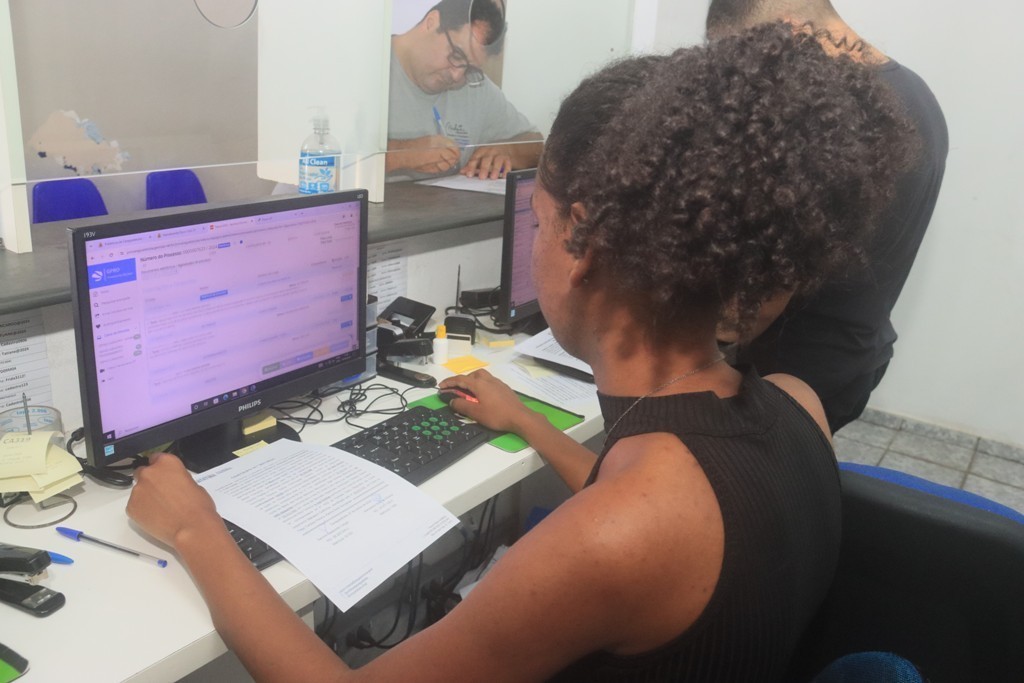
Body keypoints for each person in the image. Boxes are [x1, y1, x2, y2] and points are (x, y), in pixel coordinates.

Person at [127, 24, 914, 682]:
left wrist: (197, 528)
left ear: (581, 240)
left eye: (537, 220)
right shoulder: (796, 407)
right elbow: (646, 508)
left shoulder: (625, 532)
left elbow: (625, 532)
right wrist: (527, 422)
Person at [707, 0, 949, 433]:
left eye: (746, 58)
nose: (746, 77)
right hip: (858, 352)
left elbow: (750, 311)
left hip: (794, 372)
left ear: (788, 31)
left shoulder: (827, 119)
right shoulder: (914, 92)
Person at [387, 0, 543, 180]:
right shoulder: (367, 69)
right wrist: (401, 155)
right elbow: (354, 157)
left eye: (470, 68)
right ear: (431, 22)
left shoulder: (475, 86)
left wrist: (509, 151)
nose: (457, 76)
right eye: (456, 55)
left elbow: (537, 145)